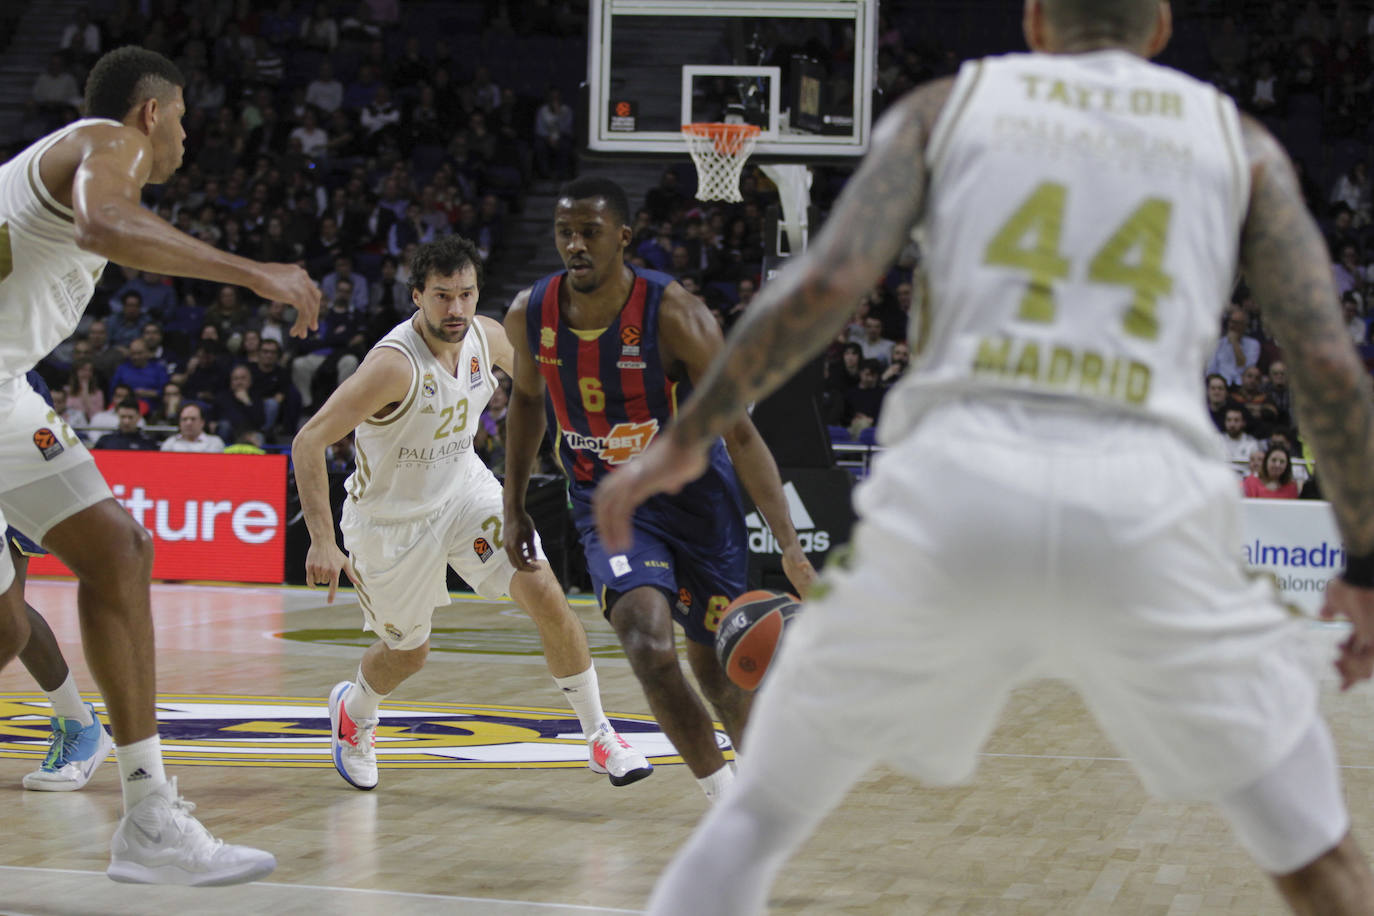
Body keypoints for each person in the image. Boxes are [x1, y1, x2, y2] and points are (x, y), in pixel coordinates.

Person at [594, 2, 1374, 912]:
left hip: (956, 498)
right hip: (1147, 512)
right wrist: (1361, 561)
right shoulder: (1240, 142)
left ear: (1036, 21)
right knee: (1314, 854)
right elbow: (1324, 363)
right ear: (1160, 28)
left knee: (756, 818)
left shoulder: (944, 108)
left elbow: (824, 285)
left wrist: (687, 437)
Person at [0, 46, 319, 886]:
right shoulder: (113, 142)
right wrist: (255, 274)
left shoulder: (75, 159)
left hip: (2, 389)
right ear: (152, 112)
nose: (185, 133)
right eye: (182, 116)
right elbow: (102, 225)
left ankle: (147, 816)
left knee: (118, 551)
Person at [292, 235, 652, 792]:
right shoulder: (392, 367)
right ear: (417, 296)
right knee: (408, 654)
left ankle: (599, 736)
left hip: (464, 491)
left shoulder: (487, 337)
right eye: (442, 296)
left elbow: (545, 382)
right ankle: (355, 709)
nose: (456, 309)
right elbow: (308, 441)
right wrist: (320, 539)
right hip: (391, 523)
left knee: (547, 594)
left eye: (465, 294)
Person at [502, 177, 816, 803]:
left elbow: (743, 437)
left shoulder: (677, 317)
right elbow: (527, 404)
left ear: (623, 236)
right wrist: (512, 507)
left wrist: (789, 545)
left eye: (589, 232)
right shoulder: (528, 315)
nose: (575, 246)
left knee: (722, 671)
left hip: (697, 505)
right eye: (565, 233)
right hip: (608, 505)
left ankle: (762, 794)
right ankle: (723, 799)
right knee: (646, 641)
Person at [160, 402, 225, 453]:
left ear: (202, 422)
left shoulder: (215, 442)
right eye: (184, 419)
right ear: (179, 423)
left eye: (193, 419)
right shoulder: (170, 443)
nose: (188, 423)